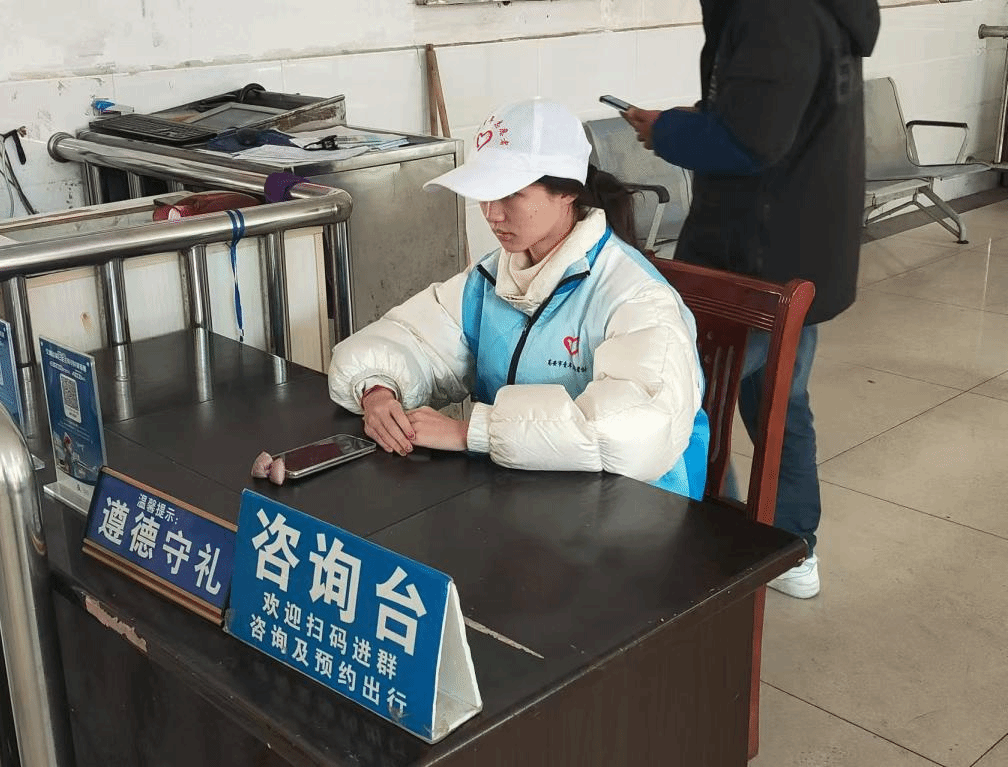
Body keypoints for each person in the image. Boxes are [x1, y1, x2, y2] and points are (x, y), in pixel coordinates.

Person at [314, 98, 710, 499]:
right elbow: (408, 339)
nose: (491, 214)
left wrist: (472, 432)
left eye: (510, 194)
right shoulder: (490, 279)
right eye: (485, 194)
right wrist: (377, 390)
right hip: (525, 496)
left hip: (636, 513)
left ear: (566, 192)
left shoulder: (636, 298)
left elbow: (635, 431)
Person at [622, 0, 881, 598]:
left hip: (753, 259)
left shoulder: (773, 10)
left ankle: (711, 548)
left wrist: (667, 131)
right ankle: (791, 547)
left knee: (690, 400)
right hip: (801, 250)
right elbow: (776, 113)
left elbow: (752, 140)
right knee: (780, 401)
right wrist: (704, 117)